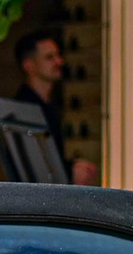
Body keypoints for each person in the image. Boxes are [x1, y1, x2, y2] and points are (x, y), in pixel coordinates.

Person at [9, 27, 98, 186]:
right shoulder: (25, 109)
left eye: (58, 55)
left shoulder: (44, 106)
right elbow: (35, 167)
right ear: (29, 66)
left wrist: (74, 167)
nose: (59, 61)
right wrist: (72, 172)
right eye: (49, 57)